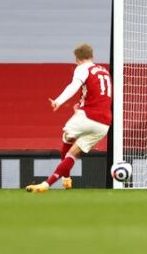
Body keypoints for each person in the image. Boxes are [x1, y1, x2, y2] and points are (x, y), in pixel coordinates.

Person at [26, 43, 112, 192]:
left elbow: (74, 86)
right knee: (72, 154)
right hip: (104, 123)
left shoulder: (83, 68)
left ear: (77, 58)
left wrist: (59, 101)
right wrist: (81, 105)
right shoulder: (104, 71)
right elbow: (99, 94)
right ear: (92, 56)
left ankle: (64, 178)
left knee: (67, 137)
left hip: (89, 116)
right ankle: (55, 183)